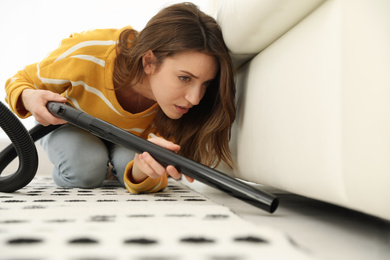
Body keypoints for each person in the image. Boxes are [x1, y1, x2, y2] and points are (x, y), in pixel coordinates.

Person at [4, 2, 236, 193]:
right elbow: (21, 79)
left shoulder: (180, 108)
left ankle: (112, 166)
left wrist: (142, 171)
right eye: (185, 78)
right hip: (68, 126)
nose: (195, 99)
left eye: (205, 83)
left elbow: (149, 175)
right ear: (149, 62)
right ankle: (98, 166)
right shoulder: (91, 52)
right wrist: (29, 97)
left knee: (131, 166)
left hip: (127, 139)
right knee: (85, 168)